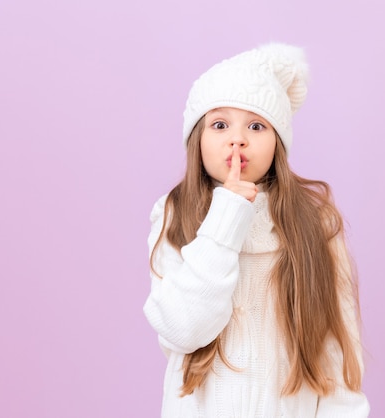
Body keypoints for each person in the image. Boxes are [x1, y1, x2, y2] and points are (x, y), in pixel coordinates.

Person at [144, 43, 370, 417]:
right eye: (219, 125)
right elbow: (182, 330)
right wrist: (226, 217)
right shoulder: (174, 213)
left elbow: (337, 350)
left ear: (277, 142)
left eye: (256, 125)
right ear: (197, 140)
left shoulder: (315, 222)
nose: (238, 139)